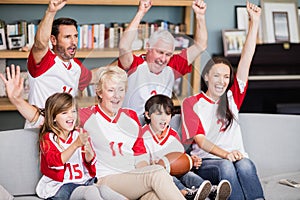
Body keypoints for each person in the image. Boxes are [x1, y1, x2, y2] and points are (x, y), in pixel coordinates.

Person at [1, 65, 187, 200]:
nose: (116, 96)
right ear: (99, 92)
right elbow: (45, 117)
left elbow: (139, 157)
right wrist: (17, 100)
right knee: (157, 173)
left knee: (154, 195)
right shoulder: (85, 115)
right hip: (105, 181)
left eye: (121, 90)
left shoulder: (130, 116)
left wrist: (143, 172)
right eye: (111, 90)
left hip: (132, 181)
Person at [180, 2, 265, 200]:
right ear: (206, 77)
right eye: (216, 76)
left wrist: (255, 23)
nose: (222, 81)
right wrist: (225, 154)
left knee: (246, 164)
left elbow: (246, 60)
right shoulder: (191, 103)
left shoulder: (231, 97)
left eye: (226, 77)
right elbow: (200, 140)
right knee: (227, 166)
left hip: (234, 157)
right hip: (208, 161)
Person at [118, 0, 208, 123]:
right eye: (160, 52)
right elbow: (124, 47)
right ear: (148, 47)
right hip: (130, 127)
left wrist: (200, 16)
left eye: (168, 54)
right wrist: (141, 12)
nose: (163, 59)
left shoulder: (172, 65)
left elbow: (200, 46)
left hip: (158, 130)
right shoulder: (135, 64)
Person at [35, 92, 126, 200]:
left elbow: (88, 163)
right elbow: (54, 162)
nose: (71, 116)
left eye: (73, 111)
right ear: (54, 118)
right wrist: (75, 145)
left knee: (104, 189)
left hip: (82, 181)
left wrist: (89, 154)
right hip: (61, 186)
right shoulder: (48, 138)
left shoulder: (78, 134)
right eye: (64, 113)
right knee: (90, 191)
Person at [142, 94, 232, 200]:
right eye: (158, 114)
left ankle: (211, 191)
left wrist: (190, 161)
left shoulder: (173, 135)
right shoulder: (142, 135)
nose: (163, 118)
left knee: (189, 175)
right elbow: (139, 161)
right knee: (170, 179)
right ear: (148, 115)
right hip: (159, 175)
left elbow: (180, 157)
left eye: (167, 114)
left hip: (175, 170)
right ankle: (188, 193)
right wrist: (151, 164)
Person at [27, 0, 91, 116]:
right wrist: (51, 12)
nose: (74, 42)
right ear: (53, 40)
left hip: (65, 130)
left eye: (75, 36)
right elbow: (40, 44)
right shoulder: (45, 61)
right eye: (67, 37)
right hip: (40, 129)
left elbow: (92, 77)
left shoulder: (76, 66)